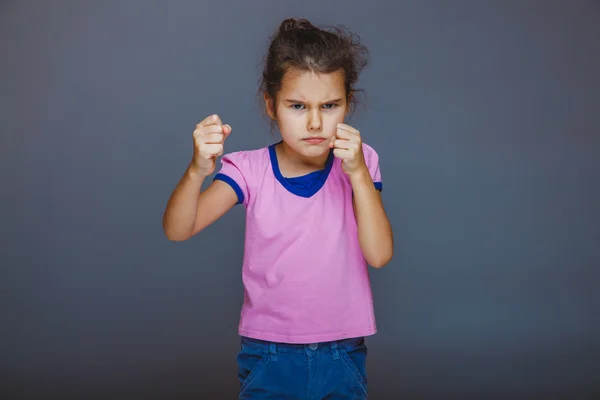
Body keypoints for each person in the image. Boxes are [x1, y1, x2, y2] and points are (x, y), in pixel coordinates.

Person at [163, 17, 393, 399]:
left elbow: (380, 254)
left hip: (343, 350)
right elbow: (178, 229)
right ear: (271, 105)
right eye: (298, 106)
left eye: (330, 105)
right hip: (269, 351)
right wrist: (196, 171)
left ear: (348, 103)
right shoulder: (249, 170)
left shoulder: (361, 161)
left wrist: (357, 175)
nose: (316, 122)